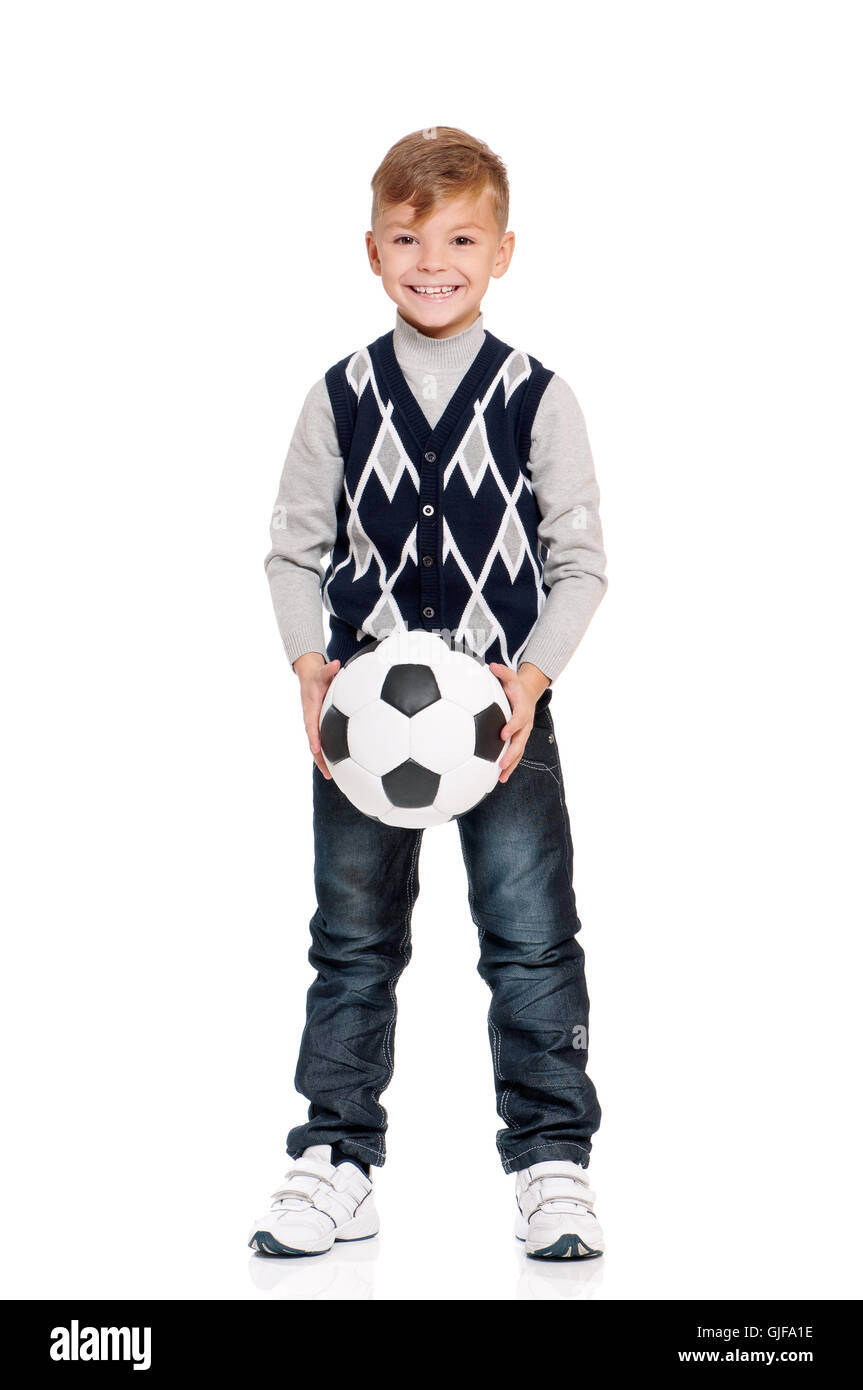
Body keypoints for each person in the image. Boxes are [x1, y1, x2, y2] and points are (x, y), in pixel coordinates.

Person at [249, 127, 608, 1261]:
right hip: (362, 725)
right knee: (351, 941)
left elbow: (580, 559)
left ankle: (551, 1161)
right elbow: (293, 550)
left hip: (502, 721)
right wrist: (311, 667)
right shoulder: (339, 396)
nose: (432, 259)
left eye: (459, 237)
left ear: (503, 251)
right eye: (407, 238)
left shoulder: (535, 397)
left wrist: (530, 678)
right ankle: (335, 1158)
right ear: (370, 249)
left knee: (531, 939)